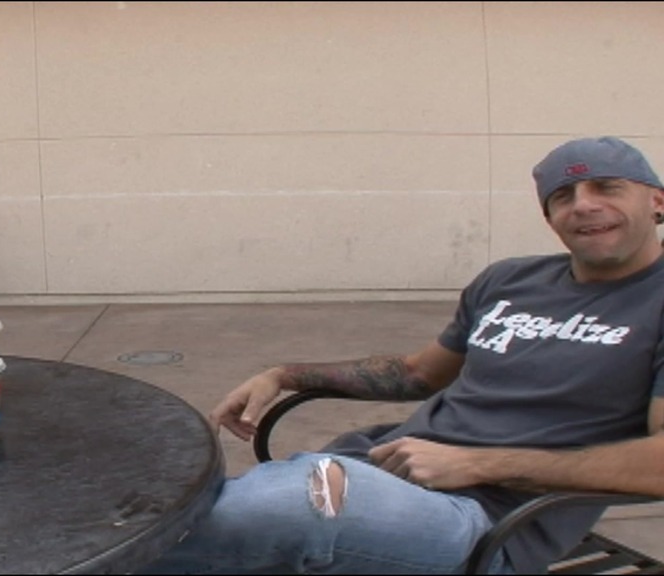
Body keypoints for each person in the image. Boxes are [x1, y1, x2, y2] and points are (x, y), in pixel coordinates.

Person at [141, 136, 664, 574]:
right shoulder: (511, 280)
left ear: (657, 202)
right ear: (550, 217)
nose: (583, 204)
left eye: (607, 187)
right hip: (374, 469)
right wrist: (285, 375)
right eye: (562, 195)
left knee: (263, 511)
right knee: (168, 500)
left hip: (487, 522)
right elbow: (417, 373)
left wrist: (476, 463)